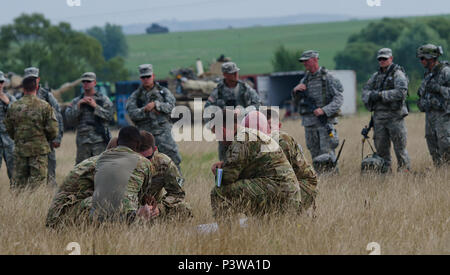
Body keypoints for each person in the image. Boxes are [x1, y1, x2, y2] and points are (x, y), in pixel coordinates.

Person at [210, 109, 301, 218]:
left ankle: (226, 231)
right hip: (286, 192)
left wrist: (217, 171)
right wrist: (225, 166)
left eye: (217, 133)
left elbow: (228, 178)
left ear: (223, 130)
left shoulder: (241, 140)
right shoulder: (247, 134)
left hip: (281, 193)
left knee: (218, 192)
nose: (218, 138)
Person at [4, 70, 58, 189]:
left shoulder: (14, 106)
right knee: (37, 187)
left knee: (19, 188)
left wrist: (18, 137)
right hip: (39, 152)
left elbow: (8, 128)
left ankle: (19, 208)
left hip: (20, 151)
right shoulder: (45, 106)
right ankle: (35, 208)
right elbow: (53, 130)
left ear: (23, 88)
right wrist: (43, 138)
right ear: (37, 87)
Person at [292, 50, 343, 173]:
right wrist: (295, 91)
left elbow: (339, 99)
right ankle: (320, 180)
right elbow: (296, 102)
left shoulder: (328, 78)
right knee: (314, 153)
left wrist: (324, 110)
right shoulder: (305, 80)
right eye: (303, 62)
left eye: (307, 61)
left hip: (324, 122)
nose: (304, 64)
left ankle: (332, 179)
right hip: (309, 124)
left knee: (327, 153)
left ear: (315, 59)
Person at [361, 48, 411, 172]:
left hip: (395, 117)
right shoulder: (376, 76)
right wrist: (371, 96)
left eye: (385, 58)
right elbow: (365, 92)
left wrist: (380, 95)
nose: (382, 61)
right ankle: (385, 176)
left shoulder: (398, 74)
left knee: (400, 150)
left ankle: (404, 176)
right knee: (381, 151)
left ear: (391, 59)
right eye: (380, 59)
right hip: (379, 119)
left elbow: (401, 93)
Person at [126, 64, 182, 169]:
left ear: (153, 76)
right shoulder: (135, 96)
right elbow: (132, 113)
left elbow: (171, 107)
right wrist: (145, 109)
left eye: (148, 76)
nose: (146, 79)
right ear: (140, 78)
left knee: (173, 161)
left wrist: (157, 105)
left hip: (164, 134)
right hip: (145, 136)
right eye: (143, 77)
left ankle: (177, 184)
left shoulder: (164, 92)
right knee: (144, 164)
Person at [15, 67, 64, 186]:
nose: (33, 81)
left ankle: (48, 197)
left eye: (34, 78)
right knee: (24, 178)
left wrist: (57, 138)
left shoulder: (47, 95)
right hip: (25, 144)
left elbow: (58, 116)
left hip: (46, 141)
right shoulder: (20, 97)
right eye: (29, 79)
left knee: (50, 173)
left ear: (38, 79)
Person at [204, 61, 262, 161]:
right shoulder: (218, 91)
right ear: (225, 75)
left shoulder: (245, 88)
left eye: (236, 72)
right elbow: (208, 110)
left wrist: (242, 111)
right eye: (232, 73)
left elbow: (257, 104)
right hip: (225, 132)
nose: (235, 75)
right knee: (225, 160)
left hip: (244, 129)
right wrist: (213, 126)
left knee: (246, 157)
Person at [264, 109, 318, 211]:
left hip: (303, 185)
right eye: (264, 127)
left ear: (279, 126)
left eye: (270, 127)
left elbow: (281, 177)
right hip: (291, 184)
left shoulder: (282, 141)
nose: (267, 131)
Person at [65, 72, 114, 164]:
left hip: (100, 142)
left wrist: (95, 106)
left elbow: (110, 116)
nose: (86, 83)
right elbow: (69, 120)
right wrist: (78, 106)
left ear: (94, 83)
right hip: (83, 144)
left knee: (100, 170)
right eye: (84, 81)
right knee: (82, 173)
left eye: (88, 81)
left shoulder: (104, 100)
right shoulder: (76, 101)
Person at [416, 44, 450, 167]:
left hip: (444, 115)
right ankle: (439, 173)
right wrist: (421, 102)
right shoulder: (428, 74)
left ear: (431, 58)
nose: (421, 61)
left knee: (445, 144)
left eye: (422, 58)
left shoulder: (445, 71)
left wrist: (438, 88)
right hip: (430, 115)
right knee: (432, 143)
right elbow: (423, 93)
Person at [0, 71, 16, 186]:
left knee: (14, 172)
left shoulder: (10, 98)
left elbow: (18, 115)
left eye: (1, 82)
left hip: (9, 141)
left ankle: (16, 199)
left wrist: (7, 103)